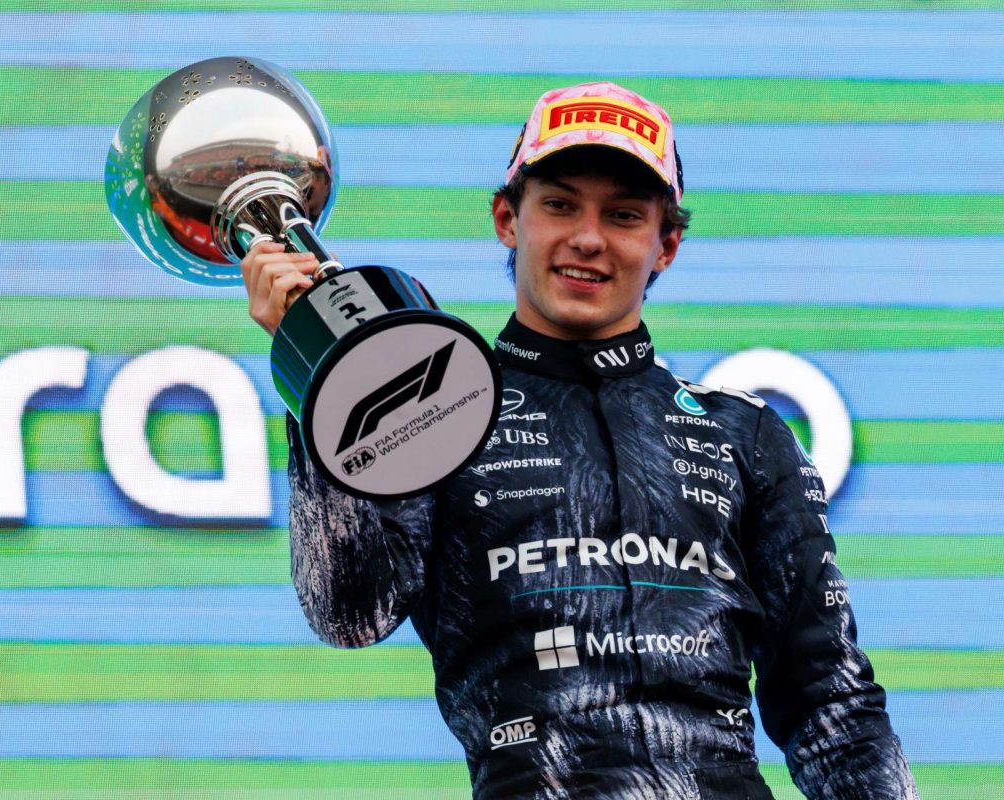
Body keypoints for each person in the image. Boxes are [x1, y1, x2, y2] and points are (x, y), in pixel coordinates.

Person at [242, 81, 918, 800]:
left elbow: (833, 706)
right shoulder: (436, 412)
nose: (588, 239)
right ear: (508, 219)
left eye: (623, 215)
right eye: (560, 205)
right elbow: (349, 612)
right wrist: (323, 382)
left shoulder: (743, 434)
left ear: (667, 244)